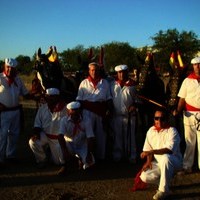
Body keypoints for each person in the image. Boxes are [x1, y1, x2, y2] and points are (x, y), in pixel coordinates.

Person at [139, 108, 182, 200]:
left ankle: (163, 191)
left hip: (174, 161)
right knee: (144, 176)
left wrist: (152, 152)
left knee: (166, 158)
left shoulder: (172, 131)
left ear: (166, 119)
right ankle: (165, 183)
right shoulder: (150, 130)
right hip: (158, 162)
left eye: (162, 118)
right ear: (154, 119)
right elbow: (148, 148)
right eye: (156, 118)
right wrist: (148, 161)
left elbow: (169, 150)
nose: (159, 121)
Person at [76, 62, 113, 162]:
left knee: (101, 135)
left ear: (99, 71)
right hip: (87, 111)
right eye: (92, 70)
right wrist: (78, 113)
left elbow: (108, 97)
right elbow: (79, 99)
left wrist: (109, 110)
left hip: (101, 111)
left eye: (96, 70)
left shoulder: (105, 83)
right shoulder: (84, 83)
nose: (94, 72)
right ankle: (87, 156)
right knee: (88, 134)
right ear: (89, 71)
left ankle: (101, 157)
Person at [0, 58, 31, 167]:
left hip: (16, 111)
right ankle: (0, 159)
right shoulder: (0, 78)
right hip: (3, 113)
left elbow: (25, 94)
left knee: (14, 134)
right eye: (8, 67)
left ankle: (10, 156)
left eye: (12, 68)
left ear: (15, 69)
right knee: (2, 135)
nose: (9, 70)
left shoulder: (18, 80)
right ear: (4, 66)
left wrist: (39, 95)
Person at [173, 56, 200, 174]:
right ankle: (187, 166)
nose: (198, 67)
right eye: (195, 65)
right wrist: (178, 110)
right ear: (193, 66)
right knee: (189, 142)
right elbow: (182, 99)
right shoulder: (187, 80)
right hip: (189, 115)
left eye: (199, 64)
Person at [29, 88, 66, 168]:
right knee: (33, 142)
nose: (50, 98)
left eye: (53, 96)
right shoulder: (43, 108)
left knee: (58, 163)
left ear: (58, 97)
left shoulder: (65, 108)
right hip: (46, 135)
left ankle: (51, 152)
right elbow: (37, 123)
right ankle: (42, 160)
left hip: (59, 139)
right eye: (48, 96)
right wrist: (36, 134)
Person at [57, 101, 95, 175]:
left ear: (80, 111)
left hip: (82, 145)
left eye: (77, 113)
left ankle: (80, 159)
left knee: (91, 163)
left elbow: (90, 137)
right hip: (69, 144)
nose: (75, 115)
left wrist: (89, 153)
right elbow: (60, 136)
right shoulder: (64, 120)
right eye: (72, 113)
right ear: (68, 112)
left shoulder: (86, 119)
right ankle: (64, 165)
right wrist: (65, 151)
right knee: (59, 146)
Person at [110, 64, 138, 163]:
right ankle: (117, 155)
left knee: (131, 137)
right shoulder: (113, 85)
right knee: (117, 136)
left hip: (129, 115)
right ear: (117, 73)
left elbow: (138, 99)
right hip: (116, 115)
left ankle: (132, 155)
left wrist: (135, 105)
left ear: (127, 72)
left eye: (123, 72)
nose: (121, 74)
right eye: (119, 72)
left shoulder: (133, 85)